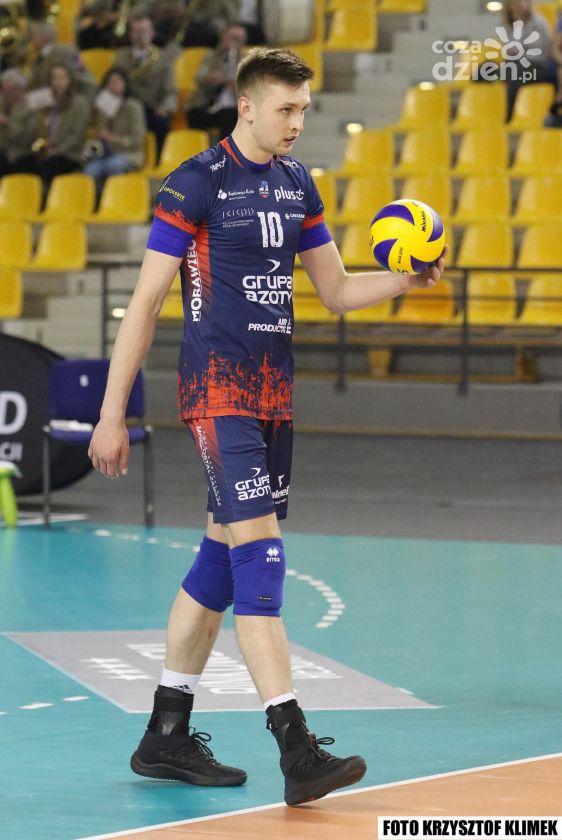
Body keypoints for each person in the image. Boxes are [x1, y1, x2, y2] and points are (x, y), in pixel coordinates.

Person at [88, 47, 447, 807]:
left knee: (220, 562)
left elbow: (336, 290)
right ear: (246, 106)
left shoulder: (296, 183)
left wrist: (405, 279)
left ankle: (165, 734)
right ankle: (297, 749)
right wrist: (112, 412)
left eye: (304, 110)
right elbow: (147, 302)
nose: (297, 123)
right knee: (261, 559)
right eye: (286, 109)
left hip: (273, 396)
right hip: (217, 391)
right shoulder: (195, 183)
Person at [113, 15, 177, 158]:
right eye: (136, 31)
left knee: (161, 124)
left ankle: (158, 161)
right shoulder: (120, 55)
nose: (140, 36)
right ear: (130, 34)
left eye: (144, 31)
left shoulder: (163, 58)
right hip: (124, 105)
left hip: (149, 106)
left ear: (153, 33)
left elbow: (170, 90)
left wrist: (166, 107)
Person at [17, 63, 90, 185]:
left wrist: (58, 150)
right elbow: (40, 129)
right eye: (54, 77)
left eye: (62, 77)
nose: (58, 81)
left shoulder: (79, 103)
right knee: (23, 162)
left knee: (50, 165)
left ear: (70, 80)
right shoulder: (46, 100)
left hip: (70, 154)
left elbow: (76, 135)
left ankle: (46, 195)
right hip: (47, 150)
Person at [83, 68, 146, 194]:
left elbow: (138, 140)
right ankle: (97, 200)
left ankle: (118, 197)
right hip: (105, 153)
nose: (113, 86)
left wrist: (113, 138)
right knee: (89, 171)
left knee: (113, 165)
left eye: (117, 82)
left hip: (128, 154)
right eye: (110, 82)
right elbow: (95, 128)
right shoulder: (103, 105)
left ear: (125, 84)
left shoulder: (133, 106)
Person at [186, 23, 247, 141]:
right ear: (223, 37)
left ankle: (225, 151)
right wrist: (218, 78)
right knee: (194, 114)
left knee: (231, 116)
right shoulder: (210, 56)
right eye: (231, 38)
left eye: (238, 40)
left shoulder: (246, 61)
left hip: (233, 109)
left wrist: (235, 86)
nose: (233, 43)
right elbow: (200, 78)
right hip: (207, 103)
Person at [501, 0, 552, 118]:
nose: (518, 6)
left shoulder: (538, 22)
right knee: (487, 69)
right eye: (514, 4)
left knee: (514, 69)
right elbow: (510, 49)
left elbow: (541, 51)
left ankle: (510, 113)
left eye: (520, 2)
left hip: (538, 66)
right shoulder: (509, 24)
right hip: (516, 65)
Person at [0, 69, 37, 177]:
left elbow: (28, 137)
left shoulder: (31, 107)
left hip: (23, 154)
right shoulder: (2, 103)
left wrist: (8, 123)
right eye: (3, 90)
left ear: (19, 90)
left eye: (8, 91)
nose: (4, 95)